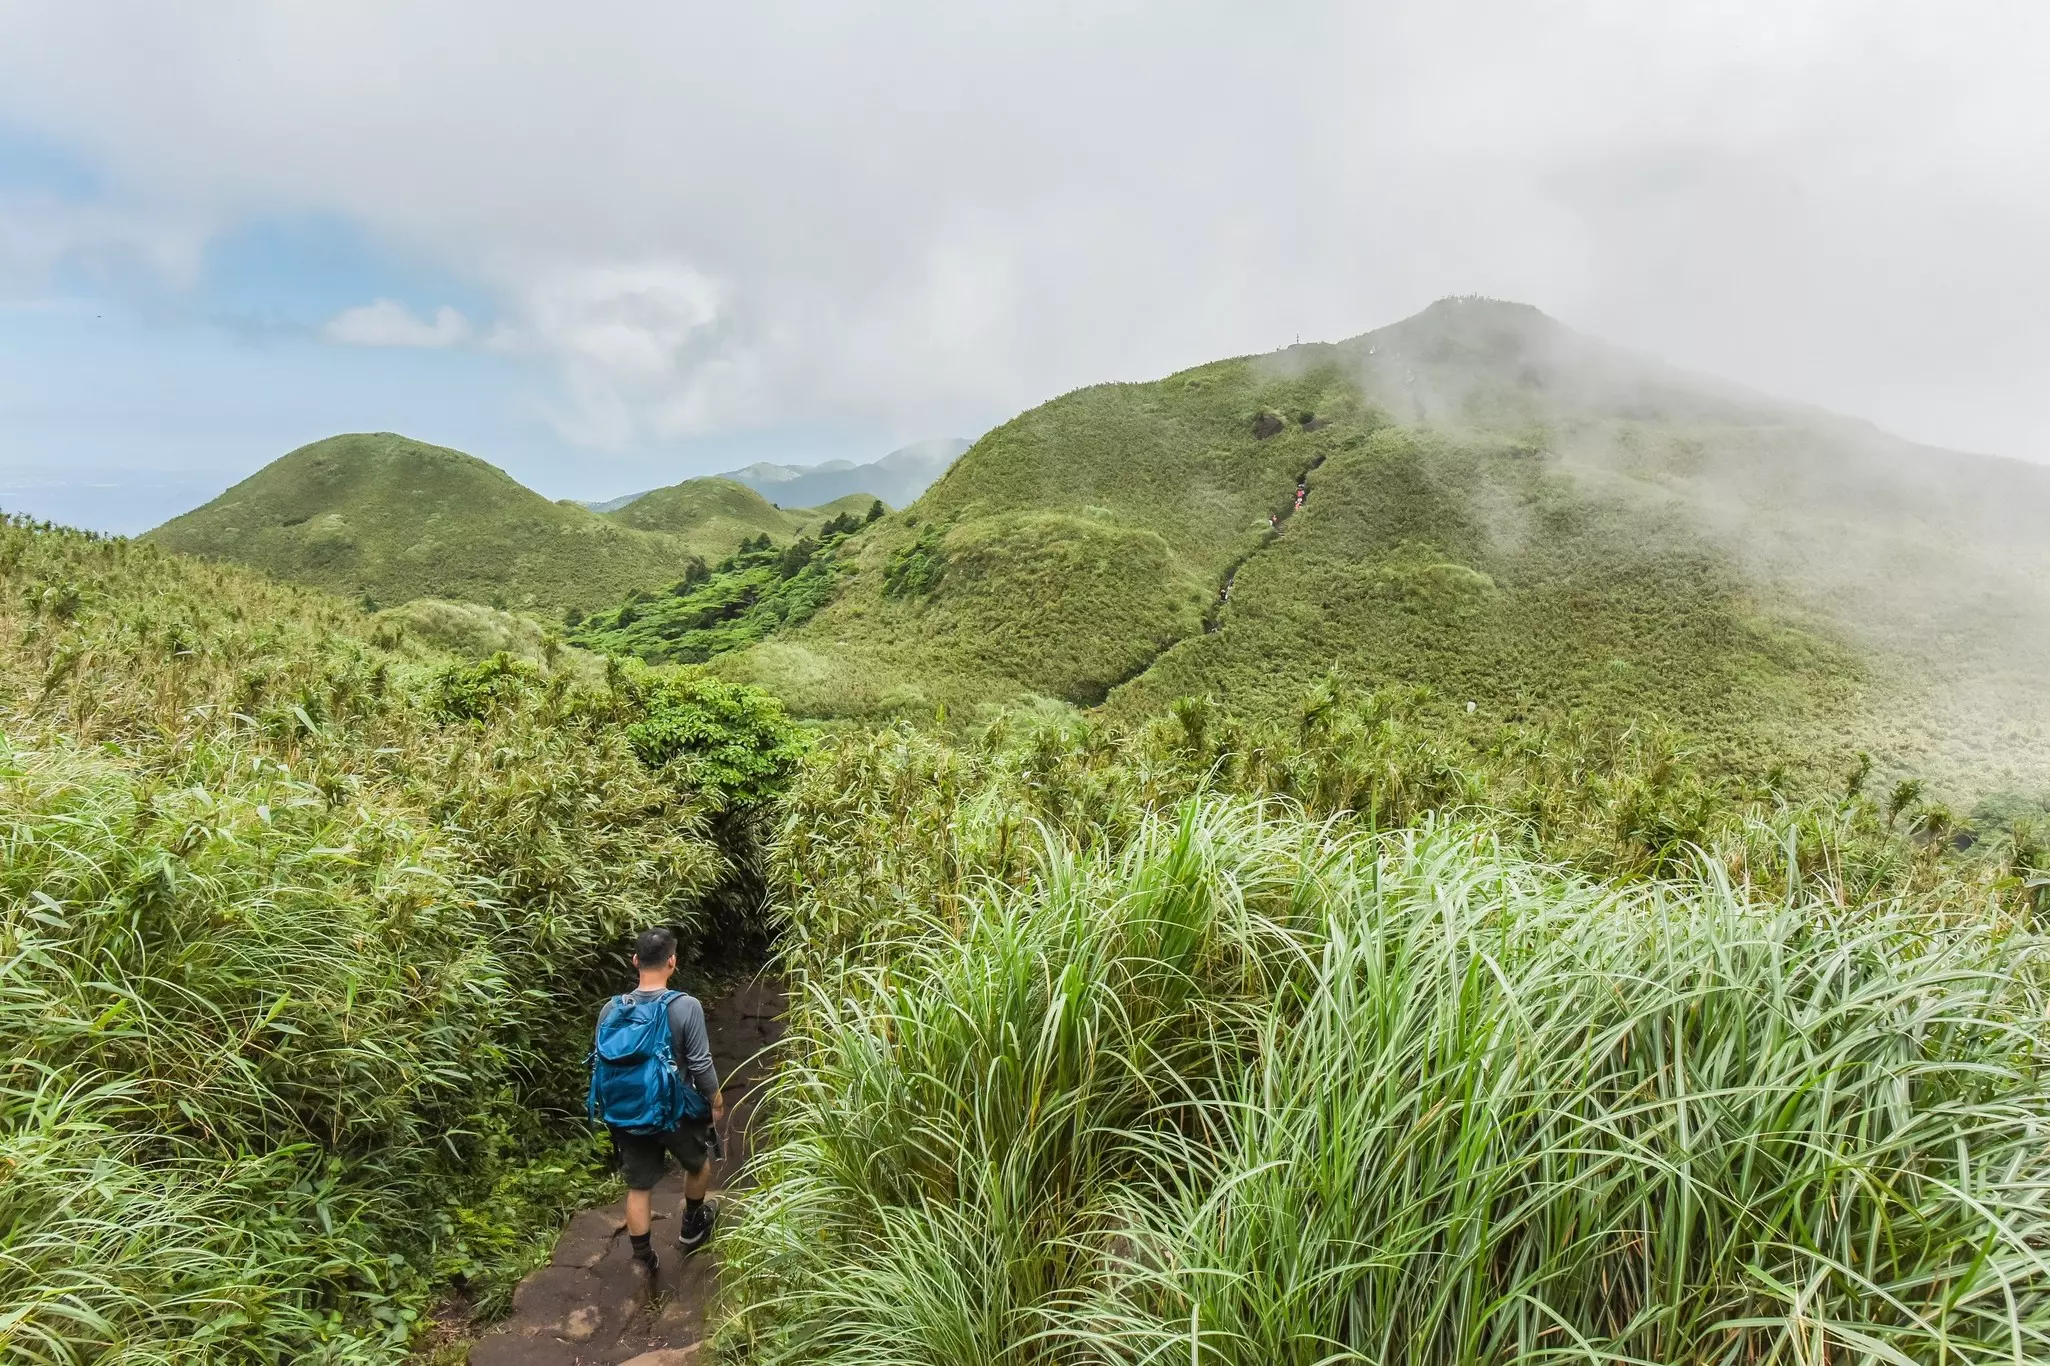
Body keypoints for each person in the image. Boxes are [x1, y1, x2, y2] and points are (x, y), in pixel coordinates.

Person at [595, 927, 725, 1273]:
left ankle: (644, 1259)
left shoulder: (611, 1010)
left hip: (627, 1111)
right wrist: (715, 1099)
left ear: (635, 960)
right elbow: (699, 1063)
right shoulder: (685, 1006)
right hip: (674, 1110)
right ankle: (691, 1226)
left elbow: (602, 1062)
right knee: (698, 1164)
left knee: (638, 1187)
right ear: (672, 962)